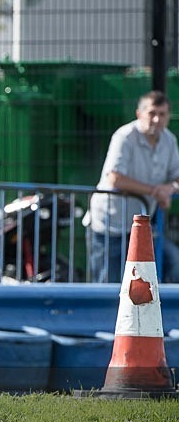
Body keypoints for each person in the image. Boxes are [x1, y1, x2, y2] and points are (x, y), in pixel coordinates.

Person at [87, 90, 179, 283]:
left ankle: (163, 314)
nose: (156, 119)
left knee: (172, 264)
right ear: (139, 114)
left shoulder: (169, 141)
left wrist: (169, 189)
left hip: (143, 226)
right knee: (108, 285)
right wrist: (155, 191)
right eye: (152, 113)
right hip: (110, 225)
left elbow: (176, 176)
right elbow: (115, 178)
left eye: (162, 114)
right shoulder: (125, 136)